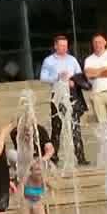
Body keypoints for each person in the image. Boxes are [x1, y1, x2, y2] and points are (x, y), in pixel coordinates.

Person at [39, 34, 88, 166]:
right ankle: (54, 157)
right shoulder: (49, 61)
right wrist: (57, 76)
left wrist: (74, 81)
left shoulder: (72, 59)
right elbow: (43, 78)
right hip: (57, 95)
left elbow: (79, 75)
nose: (64, 48)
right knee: (57, 127)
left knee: (75, 126)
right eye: (61, 46)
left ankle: (80, 156)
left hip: (72, 94)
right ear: (55, 46)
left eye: (65, 46)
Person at [9, 123, 54, 214]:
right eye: (36, 170)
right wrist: (17, 199)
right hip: (26, 202)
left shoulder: (42, 178)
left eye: (40, 170)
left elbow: (52, 187)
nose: (39, 172)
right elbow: (21, 188)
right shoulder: (27, 177)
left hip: (37, 202)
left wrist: (52, 195)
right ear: (31, 171)